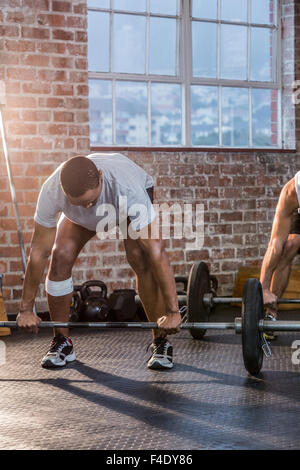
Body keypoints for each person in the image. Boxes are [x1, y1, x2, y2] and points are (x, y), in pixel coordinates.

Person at [16, 153, 182, 369]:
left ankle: (161, 341)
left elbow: (157, 251)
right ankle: (62, 341)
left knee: (141, 257)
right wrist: (26, 309)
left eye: (92, 201)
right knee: (60, 255)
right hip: (83, 215)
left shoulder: (127, 187)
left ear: (101, 177)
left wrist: (174, 312)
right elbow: (38, 253)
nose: (89, 207)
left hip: (123, 206)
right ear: (63, 190)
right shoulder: (51, 190)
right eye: (81, 204)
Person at [260, 171, 300, 339]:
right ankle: (270, 314)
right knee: (287, 247)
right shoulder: (293, 191)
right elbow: (275, 243)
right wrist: (262, 289)